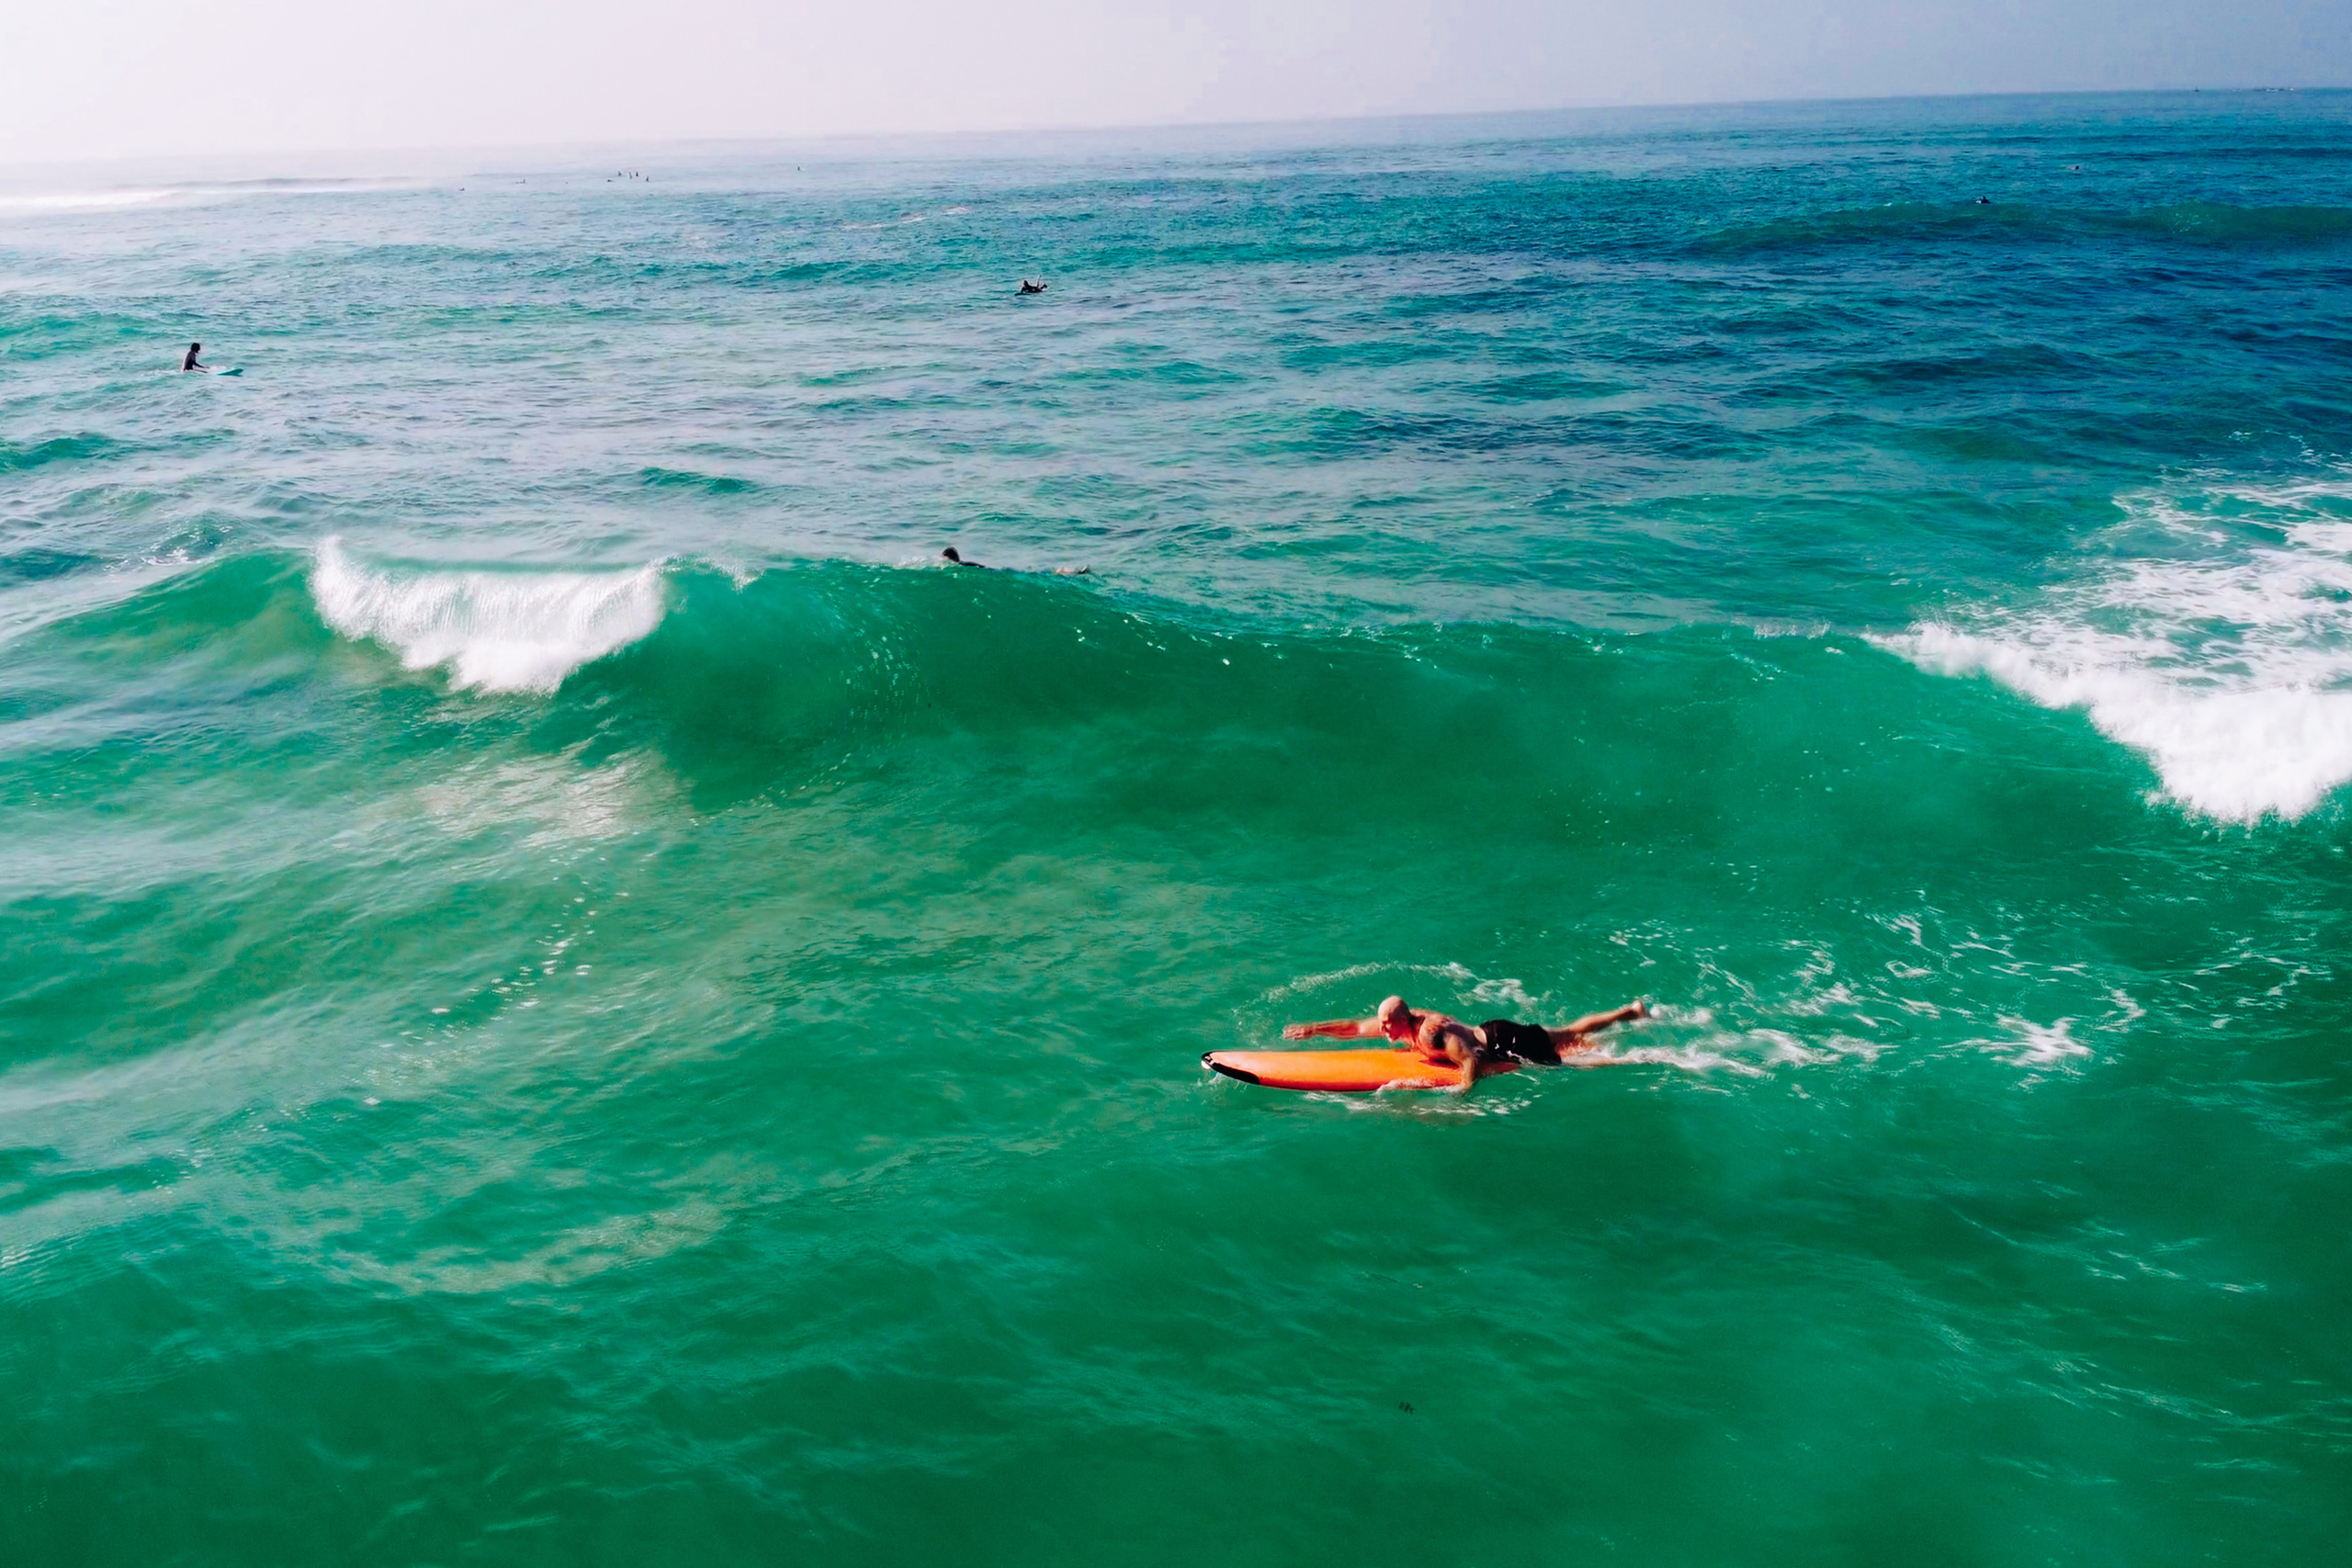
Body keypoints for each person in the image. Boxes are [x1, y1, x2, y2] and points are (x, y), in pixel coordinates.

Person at [1283, 994, 1649, 1089]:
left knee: (1566, 1056)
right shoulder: (1403, 1023)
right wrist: (1314, 1029)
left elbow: (1471, 1060)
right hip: (1492, 1030)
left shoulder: (1430, 1033)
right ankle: (1630, 1013)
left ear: (1401, 1019)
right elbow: (1354, 1027)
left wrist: (1460, 1097)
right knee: (1567, 1035)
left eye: (1386, 1026)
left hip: (1503, 1042)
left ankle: (1640, 1058)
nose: (1382, 1032)